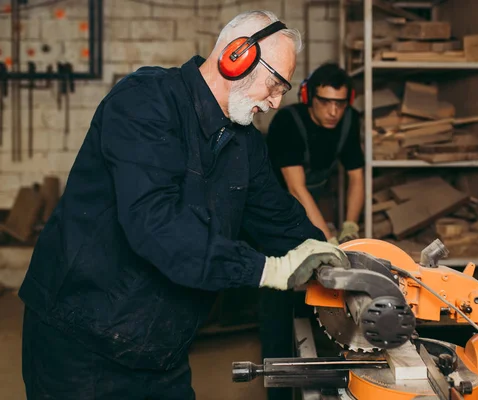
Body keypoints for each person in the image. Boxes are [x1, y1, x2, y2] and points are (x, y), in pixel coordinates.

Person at [18, 10, 350, 400]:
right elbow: (155, 223)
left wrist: (335, 260)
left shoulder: (244, 143)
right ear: (236, 56)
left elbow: (278, 216)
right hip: (81, 341)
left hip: (161, 349)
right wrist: (265, 269)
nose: (277, 102)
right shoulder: (145, 102)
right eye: (275, 84)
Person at [265, 63, 365, 245]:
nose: (333, 112)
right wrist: (329, 240)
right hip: (275, 203)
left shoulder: (350, 120)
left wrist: (351, 226)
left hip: (312, 199)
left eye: (340, 104)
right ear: (308, 97)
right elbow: (296, 189)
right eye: (325, 102)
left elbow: (356, 176)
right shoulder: (288, 122)